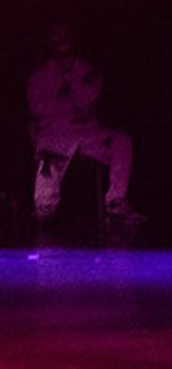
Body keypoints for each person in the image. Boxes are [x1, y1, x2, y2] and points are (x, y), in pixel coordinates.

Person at [26, 20, 141, 233]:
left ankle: (116, 202)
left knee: (121, 142)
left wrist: (71, 81)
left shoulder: (87, 71)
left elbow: (88, 101)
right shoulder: (40, 75)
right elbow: (37, 109)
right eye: (56, 37)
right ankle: (45, 207)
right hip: (55, 136)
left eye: (65, 36)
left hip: (87, 133)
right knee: (44, 209)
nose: (61, 42)